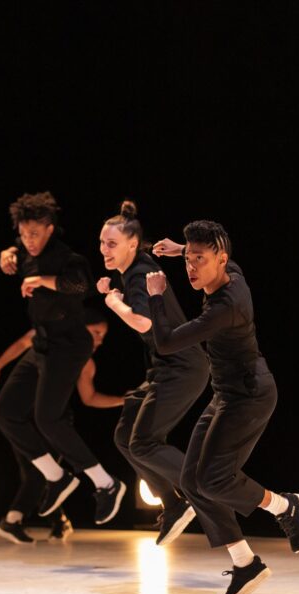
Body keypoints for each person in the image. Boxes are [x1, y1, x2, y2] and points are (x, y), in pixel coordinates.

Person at [146, 221, 299, 594]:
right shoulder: (231, 272)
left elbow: (167, 342)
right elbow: (211, 255)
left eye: (199, 260)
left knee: (215, 480)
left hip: (249, 396)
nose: (191, 268)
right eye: (188, 259)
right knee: (191, 480)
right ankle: (245, 562)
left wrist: (157, 295)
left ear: (221, 259)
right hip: (225, 393)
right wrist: (177, 249)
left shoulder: (226, 307)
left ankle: (286, 505)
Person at [0, 192, 126, 545]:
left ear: (50, 229)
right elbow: (15, 255)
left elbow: (79, 285)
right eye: (23, 234)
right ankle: (58, 478)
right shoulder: (23, 252)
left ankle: (107, 484)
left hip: (69, 346)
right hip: (43, 346)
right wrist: (8, 253)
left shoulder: (68, 258)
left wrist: (41, 282)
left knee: (48, 419)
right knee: (5, 413)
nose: (29, 241)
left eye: (35, 233)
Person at [94, 200, 211, 546]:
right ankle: (173, 504)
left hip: (183, 368)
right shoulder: (133, 270)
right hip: (164, 367)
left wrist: (113, 302)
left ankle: (203, 485)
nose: (104, 249)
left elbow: (143, 321)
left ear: (132, 244)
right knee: (125, 437)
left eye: (111, 244)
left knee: (143, 443)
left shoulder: (141, 274)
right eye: (102, 243)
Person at [0, 309, 124, 543]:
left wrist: (124, 400)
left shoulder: (85, 363)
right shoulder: (50, 335)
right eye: (96, 332)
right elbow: (22, 342)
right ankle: (54, 505)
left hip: (52, 420)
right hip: (25, 421)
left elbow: (89, 397)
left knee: (37, 472)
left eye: (103, 335)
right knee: (7, 422)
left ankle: (22, 518)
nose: (100, 340)